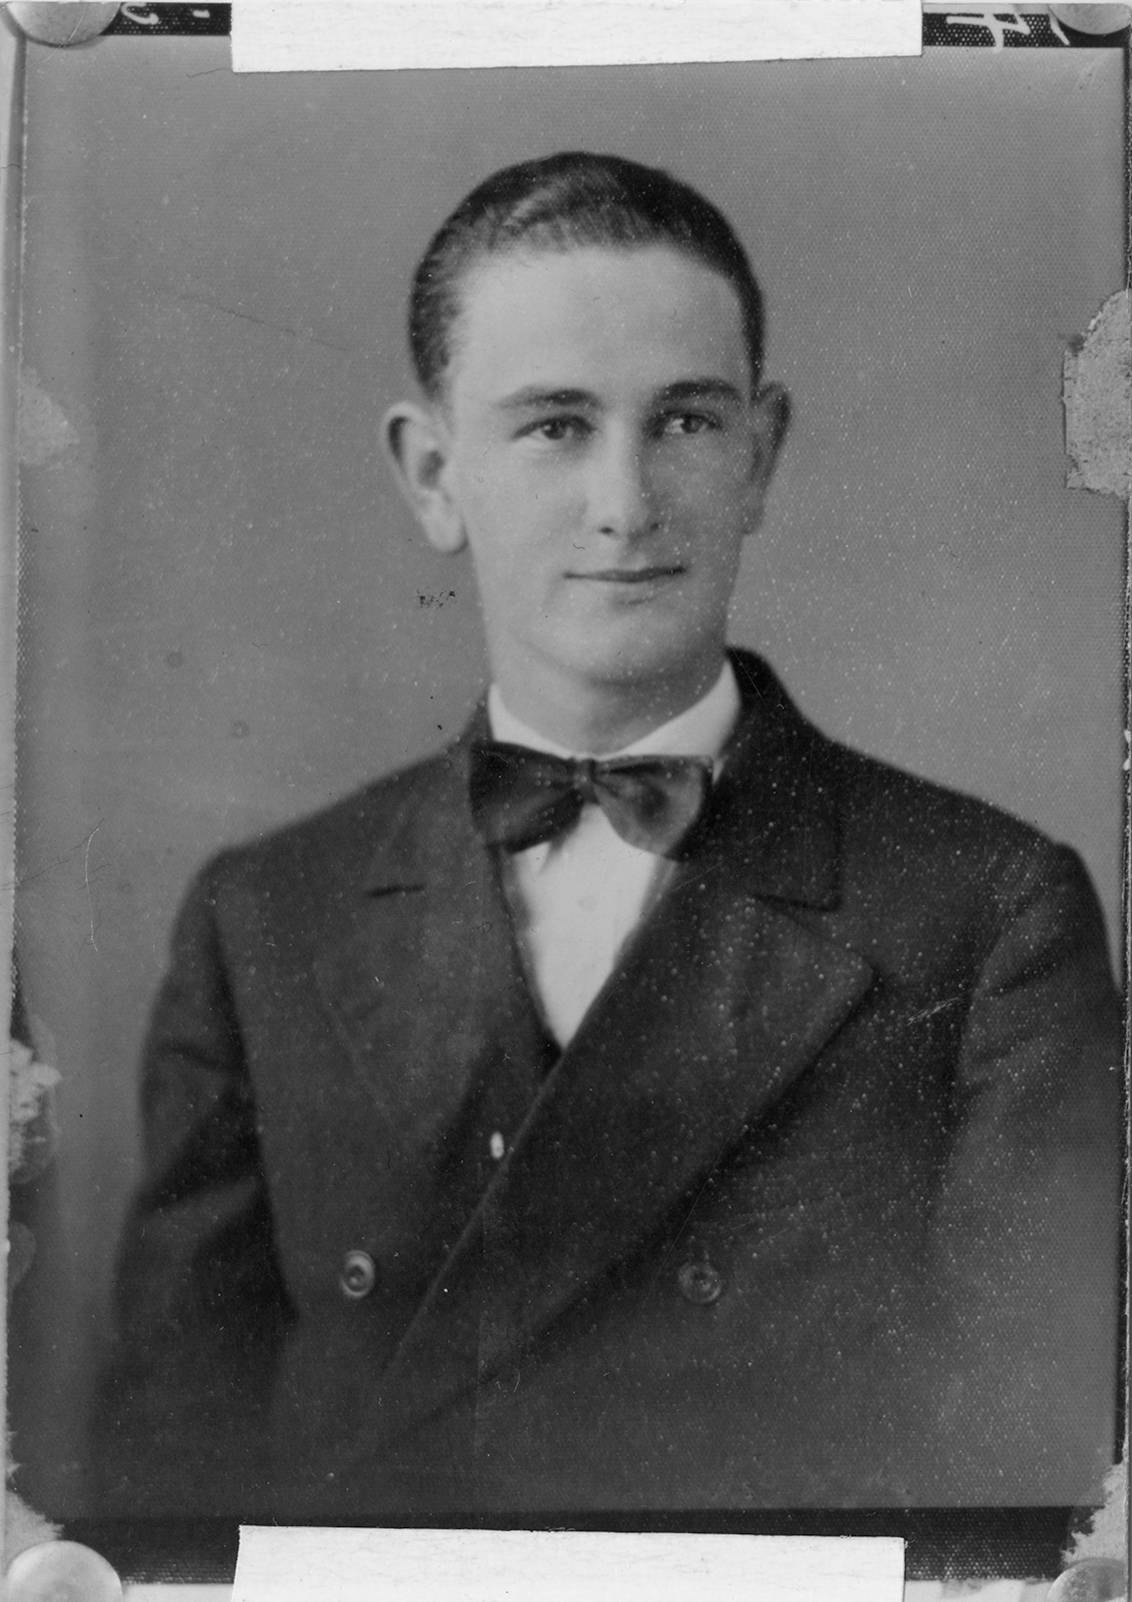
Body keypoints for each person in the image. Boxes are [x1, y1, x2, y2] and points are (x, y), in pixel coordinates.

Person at [98, 151, 1121, 1520]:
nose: (626, 504)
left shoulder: (988, 913)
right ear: (430, 473)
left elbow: (1023, 1493)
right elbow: (169, 1478)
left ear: (762, 456)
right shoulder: (266, 915)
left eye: (686, 423)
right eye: (555, 426)